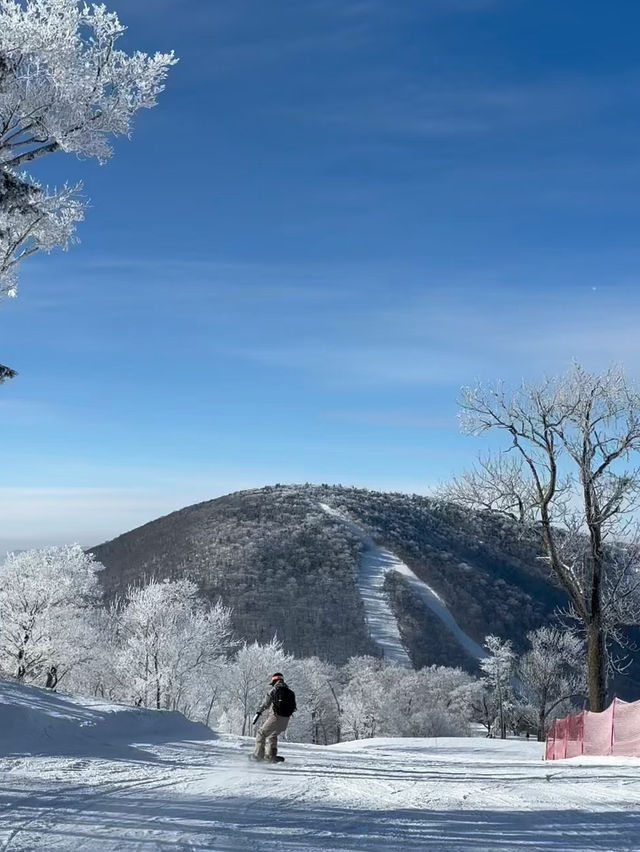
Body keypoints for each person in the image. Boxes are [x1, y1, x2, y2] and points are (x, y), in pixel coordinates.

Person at [251, 672, 296, 762]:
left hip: (275, 717)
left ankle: (258, 755)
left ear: (275, 681)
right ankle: (271, 756)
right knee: (273, 735)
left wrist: (258, 712)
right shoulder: (290, 692)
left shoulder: (274, 690)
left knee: (261, 733)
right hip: (285, 720)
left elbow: (266, 704)